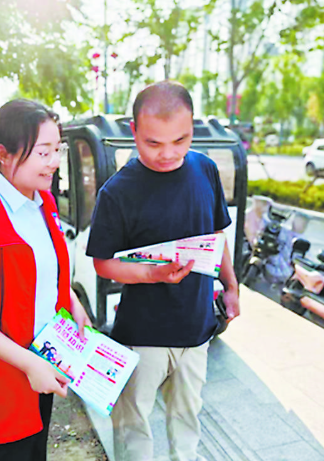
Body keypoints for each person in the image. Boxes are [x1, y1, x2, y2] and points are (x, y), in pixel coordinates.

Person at [86, 81, 240, 461]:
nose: (168, 154)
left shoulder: (205, 169)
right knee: (133, 429)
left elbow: (216, 235)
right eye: (153, 143)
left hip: (197, 329)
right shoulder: (117, 192)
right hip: (142, 336)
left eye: (180, 140)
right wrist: (152, 274)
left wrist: (231, 286)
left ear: (192, 128)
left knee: (187, 423)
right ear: (134, 131)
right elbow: (103, 263)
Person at [0, 99, 92, 461]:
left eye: (57, 150)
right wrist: (28, 364)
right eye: (43, 152)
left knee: (35, 450)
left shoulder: (43, 202)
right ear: (4, 155)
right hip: (4, 376)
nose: (54, 162)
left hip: (44, 359)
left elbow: (44, 268)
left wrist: (73, 302)